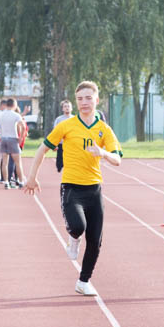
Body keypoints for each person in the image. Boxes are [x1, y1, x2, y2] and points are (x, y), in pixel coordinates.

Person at [24, 81, 122, 296]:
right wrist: (32, 177)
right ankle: (73, 237)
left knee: (95, 240)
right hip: (72, 188)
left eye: (88, 98)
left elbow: (118, 159)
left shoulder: (104, 129)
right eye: (80, 99)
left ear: (97, 100)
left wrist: (103, 153)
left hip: (95, 190)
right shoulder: (66, 126)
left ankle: (83, 281)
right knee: (78, 226)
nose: (84, 103)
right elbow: (42, 149)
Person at [0, 98, 26, 188]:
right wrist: (21, 138)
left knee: (4, 162)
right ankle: (21, 182)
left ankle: (6, 182)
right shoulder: (16, 115)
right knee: (18, 162)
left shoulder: (0, 115)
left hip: (4, 138)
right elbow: (23, 126)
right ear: (14, 105)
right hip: (13, 138)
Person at [54, 100, 75, 172]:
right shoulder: (59, 119)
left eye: (68, 106)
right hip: (61, 144)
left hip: (71, 144)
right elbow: (55, 132)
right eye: (65, 106)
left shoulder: (75, 119)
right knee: (59, 163)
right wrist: (55, 144)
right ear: (62, 109)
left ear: (71, 108)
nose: (67, 108)